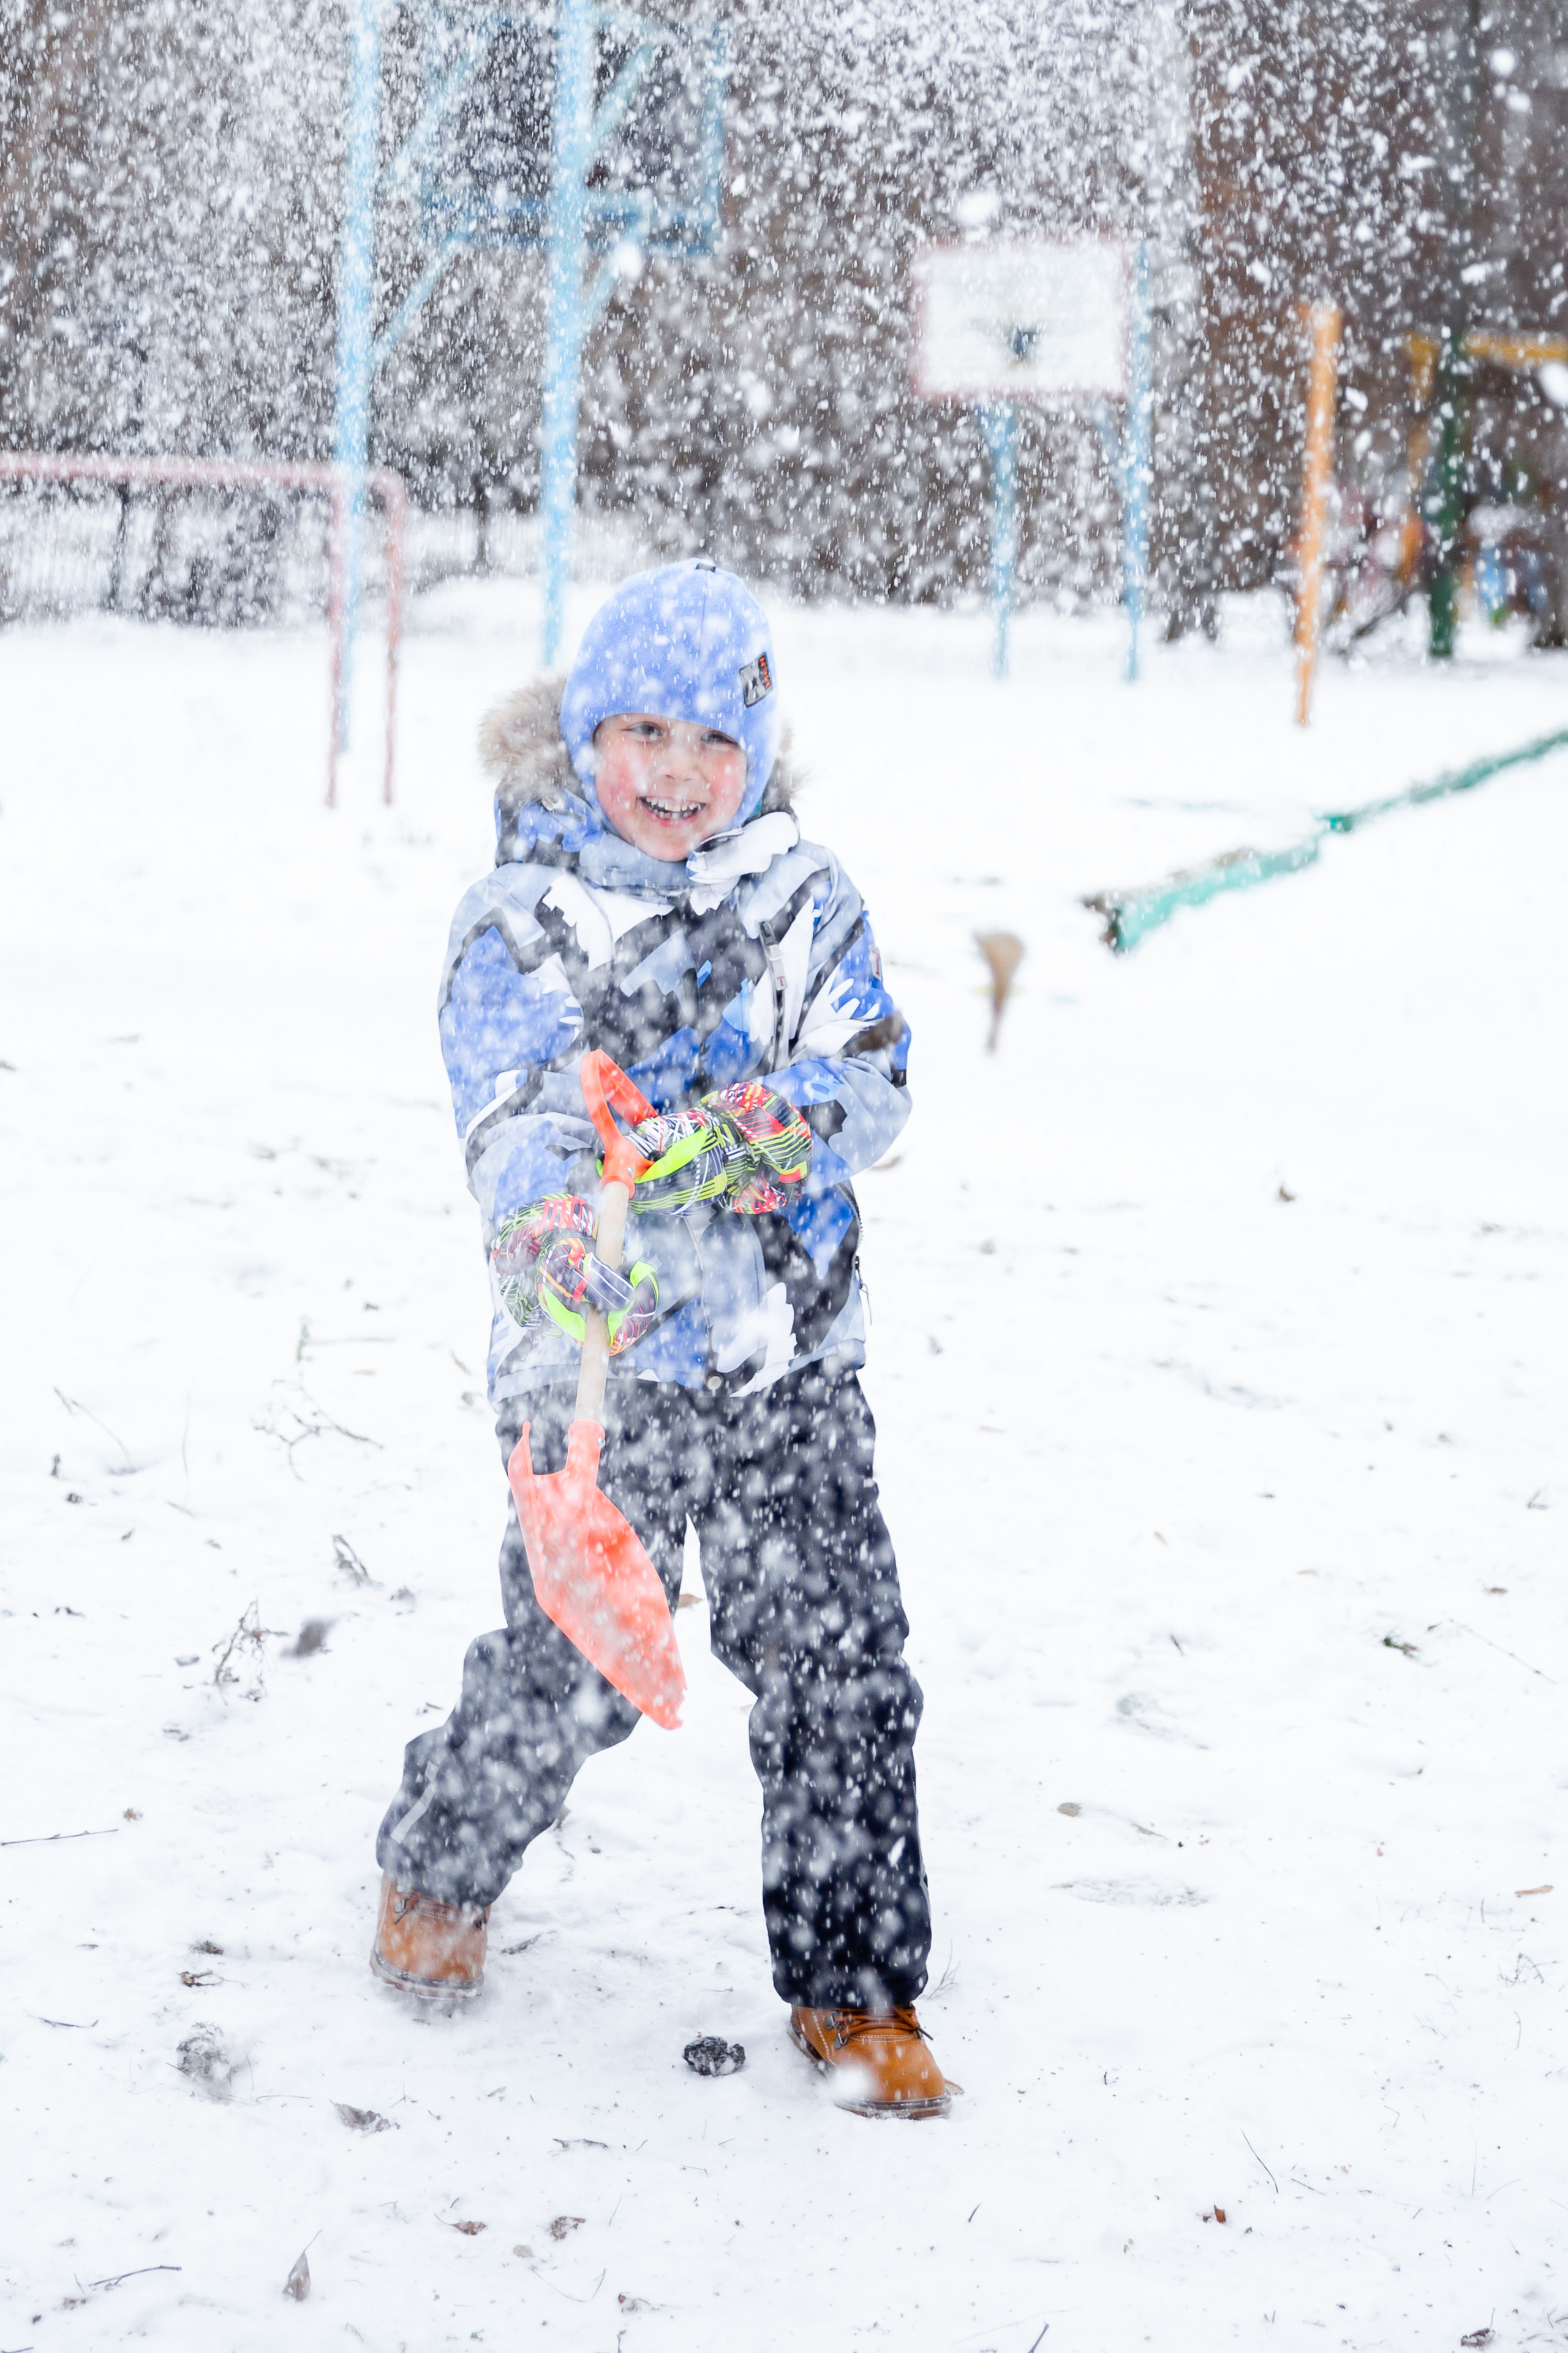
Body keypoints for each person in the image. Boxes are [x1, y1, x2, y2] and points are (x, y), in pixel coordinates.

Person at [370, 560, 949, 2118]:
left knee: (837, 1664)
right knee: (581, 1667)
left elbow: (873, 1075)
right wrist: (556, 1232)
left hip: (787, 1358)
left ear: (754, 750)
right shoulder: (522, 918)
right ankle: (438, 1858)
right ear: (581, 736)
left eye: (710, 741)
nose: (675, 776)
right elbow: (514, 1112)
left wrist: (760, 1128)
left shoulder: (803, 900)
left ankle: (855, 1983)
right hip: (600, 1372)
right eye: (640, 733)